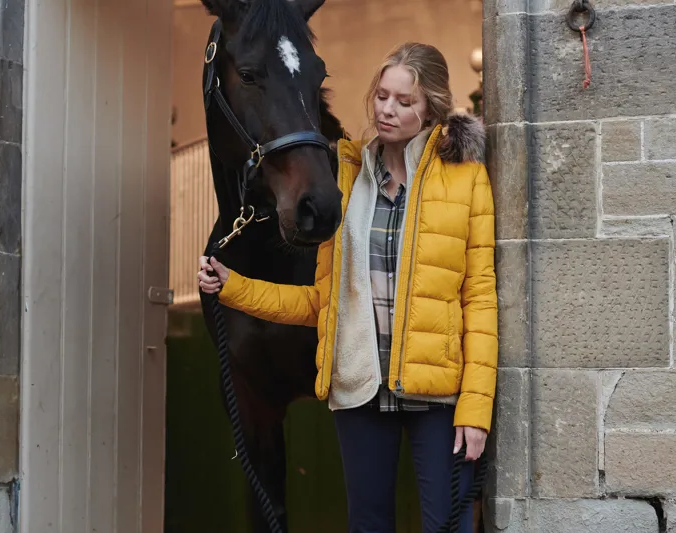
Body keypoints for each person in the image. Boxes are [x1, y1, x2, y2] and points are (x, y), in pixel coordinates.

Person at [198, 42, 497, 533]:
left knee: (449, 526)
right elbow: (321, 301)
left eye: (405, 102)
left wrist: (476, 409)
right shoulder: (347, 175)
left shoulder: (466, 181)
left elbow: (480, 299)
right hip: (361, 391)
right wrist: (233, 287)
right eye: (382, 95)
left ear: (431, 109)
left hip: (440, 397)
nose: (387, 110)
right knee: (368, 525)